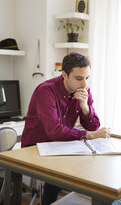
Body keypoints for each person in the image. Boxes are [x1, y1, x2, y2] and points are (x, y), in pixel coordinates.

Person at [21, 52, 111, 205]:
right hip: (35, 147)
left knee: (91, 165)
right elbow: (54, 130)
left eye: (87, 78)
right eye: (79, 78)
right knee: (62, 172)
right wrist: (90, 135)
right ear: (64, 74)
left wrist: (85, 107)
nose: (84, 84)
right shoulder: (46, 91)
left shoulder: (84, 90)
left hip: (59, 144)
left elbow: (94, 125)